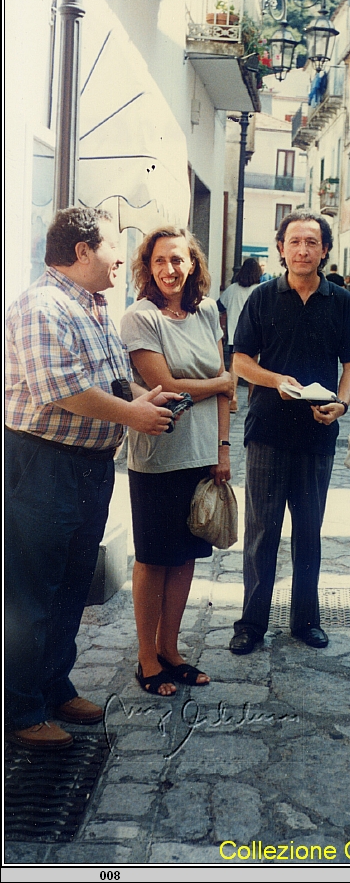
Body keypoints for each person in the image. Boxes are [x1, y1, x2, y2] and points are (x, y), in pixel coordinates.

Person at [6, 207, 178, 748]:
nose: (122, 257)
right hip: (42, 465)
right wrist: (134, 416)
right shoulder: (42, 306)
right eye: (113, 245)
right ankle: (21, 709)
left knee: (71, 583)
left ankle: (54, 687)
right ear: (82, 251)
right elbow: (60, 390)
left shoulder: (95, 304)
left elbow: (105, 378)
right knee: (32, 588)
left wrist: (140, 397)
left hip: (86, 467)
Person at [229, 211, 350, 654]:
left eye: (311, 242)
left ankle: (306, 620)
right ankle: (251, 623)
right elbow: (240, 362)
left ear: (325, 249)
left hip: (318, 432)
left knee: (309, 530)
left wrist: (341, 405)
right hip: (267, 430)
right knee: (262, 531)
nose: (302, 249)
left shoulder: (341, 301)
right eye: (294, 242)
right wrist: (275, 380)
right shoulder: (263, 298)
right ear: (281, 248)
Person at [120, 227, 234, 695]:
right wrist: (220, 382)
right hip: (158, 454)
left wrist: (223, 447)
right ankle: (147, 658)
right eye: (160, 261)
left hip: (202, 452)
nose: (170, 269)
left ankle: (171, 648)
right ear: (148, 267)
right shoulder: (139, 318)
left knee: (186, 556)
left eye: (179, 260)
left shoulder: (208, 311)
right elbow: (166, 386)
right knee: (153, 558)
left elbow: (225, 389)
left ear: (193, 265)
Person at [219, 257, 262, 413]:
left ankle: (233, 398)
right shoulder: (260, 289)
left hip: (234, 333)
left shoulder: (232, 289)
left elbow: (219, 306)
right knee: (254, 367)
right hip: (255, 334)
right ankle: (252, 399)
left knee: (234, 367)